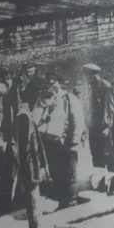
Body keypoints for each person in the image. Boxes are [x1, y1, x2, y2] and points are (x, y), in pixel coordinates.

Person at [32, 73, 85, 209]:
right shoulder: (43, 98)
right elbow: (34, 119)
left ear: (59, 84)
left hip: (65, 142)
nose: (50, 86)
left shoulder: (69, 98)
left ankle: (71, 202)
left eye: (53, 83)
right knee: (55, 172)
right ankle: (63, 200)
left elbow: (78, 121)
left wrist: (74, 142)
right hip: (48, 142)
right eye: (48, 83)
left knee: (69, 173)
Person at [84, 63, 114, 172]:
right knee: (96, 153)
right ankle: (99, 177)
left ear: (92, 75)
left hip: (103, 126)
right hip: (93, 127)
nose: (86, 77)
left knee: (107, 153)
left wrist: (107, 126)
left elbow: (109, 107)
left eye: (87, 75)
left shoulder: (105, 86)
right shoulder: (91, 86)